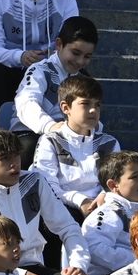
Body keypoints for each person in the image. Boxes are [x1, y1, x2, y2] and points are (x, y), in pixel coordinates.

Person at [0, 128, 89, 275]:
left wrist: (78, 265)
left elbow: (67, 227)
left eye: (17, 156)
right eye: (5, 158)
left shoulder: (35, 181)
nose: (14, 164)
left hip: (32, 267)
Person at [31, 73, 119, 219]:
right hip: (62, 205)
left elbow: (116, 180)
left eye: (97, 105)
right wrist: (81, 201)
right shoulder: (50, 141)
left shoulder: (109, 143)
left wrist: (104, 195)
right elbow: (47, 185)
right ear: (66, 108)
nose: (93, 110)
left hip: (102, 206)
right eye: (85, 104)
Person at [12, 14, 98, 141]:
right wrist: (50, 126)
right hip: (29, 135)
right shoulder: (40, 70)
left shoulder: (85, 79)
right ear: (59, 44)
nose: (80, 61)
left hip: (68, 137)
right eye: (75, 53)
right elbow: (26, 102)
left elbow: (92, 113)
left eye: (87, 56)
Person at [80, 150, 138, 275]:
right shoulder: (109, 212)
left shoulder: (137, 212)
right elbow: (93, 249)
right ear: (113, 185)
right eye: (135, 177)